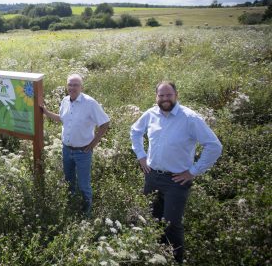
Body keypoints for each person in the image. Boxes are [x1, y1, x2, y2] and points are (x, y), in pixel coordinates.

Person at [130, 81, 222, 264]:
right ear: (156, 97)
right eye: (161, 95)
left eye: (168, 95)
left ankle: (176, 260)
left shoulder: (190, 118)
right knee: (152, 220)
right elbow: (135, 131)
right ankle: (155, 256)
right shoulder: (151, 114)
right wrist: (141, 156)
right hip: (152, 176)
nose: (165, 99)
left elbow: (214, 146)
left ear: (176, 95)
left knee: (172, 225)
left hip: (176, 181)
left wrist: (193, 171)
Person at [40, 74, 110, 216]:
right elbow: (63, 119)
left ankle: (86, 214)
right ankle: (72, 208)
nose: (72, 87)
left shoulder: (90, 103)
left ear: (81, 87)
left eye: (76, 85)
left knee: (84, 185)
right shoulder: (65, 101)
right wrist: (46, 112)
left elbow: (105, 123)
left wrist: (93, 144)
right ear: (67, 86)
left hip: (83, 152)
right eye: (70, 85)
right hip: (66, 149)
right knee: (69, 181)